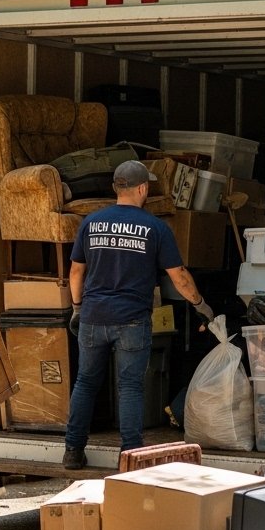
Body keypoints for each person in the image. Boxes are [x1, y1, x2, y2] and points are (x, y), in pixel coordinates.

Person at [64, 160, 214, 469]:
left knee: (86, 383)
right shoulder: (156, 228)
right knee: (130, 386)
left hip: (93, 316)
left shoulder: (90, 223)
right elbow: (179, 276)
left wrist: (77, 308)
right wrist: (201, 305)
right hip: (132, 320)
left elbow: (76, 271)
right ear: (143, 188)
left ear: (115, 188)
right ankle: (130, 455)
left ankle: (73, 451)